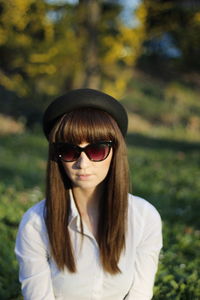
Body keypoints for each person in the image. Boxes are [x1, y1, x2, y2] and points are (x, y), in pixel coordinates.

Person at [15, 88, 162, 300]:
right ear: (56, 156)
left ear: (115, 152)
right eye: (69, 151)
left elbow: (140, 294)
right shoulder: (35, 224)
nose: (82, 164)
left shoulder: (144, 218)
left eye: (97, 150)